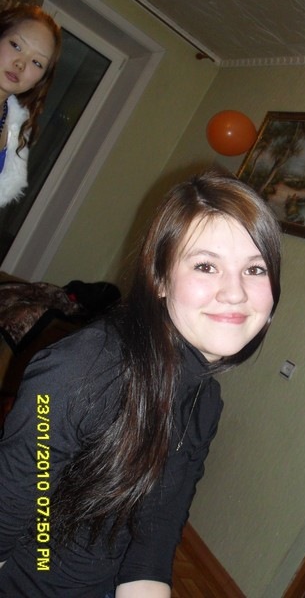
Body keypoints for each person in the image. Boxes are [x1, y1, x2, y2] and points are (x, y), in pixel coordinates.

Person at [0, 170, 282, 597]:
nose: (235, 292)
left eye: (255, 269)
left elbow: (158, 528)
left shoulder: (204, 401)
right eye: (206, 266)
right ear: (161, 280)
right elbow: (12, 514)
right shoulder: (79, 373)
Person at [0, 4, 61, 206]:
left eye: (37, 62)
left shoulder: (15, 131)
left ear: (40, 80)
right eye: (16, 46)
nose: (21, 63)